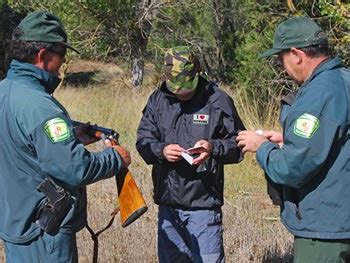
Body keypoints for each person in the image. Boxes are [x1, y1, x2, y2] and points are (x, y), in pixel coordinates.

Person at [0, 11, 131, 263]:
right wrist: (115, 158)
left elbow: (22, 146)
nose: (62, 62)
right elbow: (75, 169)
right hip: (44, 234)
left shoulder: (5, 91)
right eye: (61, 54)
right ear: (42, 55)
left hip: (16, 225)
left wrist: (72, 135)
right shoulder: (42, 107)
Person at [236, 16, 350, 262]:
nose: (281, 67)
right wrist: (286, 140)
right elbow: (334, 143)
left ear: (297, 54)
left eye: (281, 58)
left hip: (325, 230)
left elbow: (292, 167)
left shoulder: (317, 94)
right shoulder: (343, 80)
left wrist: (263, 148)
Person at [136, 46, 245, 262]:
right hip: (168, 207)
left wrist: (213, 148)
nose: (181, 92)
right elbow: (143, 140)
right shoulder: (158, 100)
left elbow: (239, 143)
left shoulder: (218, 100)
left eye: (186, 87)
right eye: (176, 88)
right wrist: (161, 151)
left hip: (204, 207)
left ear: (197, 74)